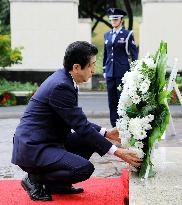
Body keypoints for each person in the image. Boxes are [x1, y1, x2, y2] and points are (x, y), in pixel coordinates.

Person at [11, 41, 142, 201]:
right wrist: (118, 152)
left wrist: (107, 133)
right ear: (76, 67)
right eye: (91, 65)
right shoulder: (61, 86)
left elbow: (76, 121)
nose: (94, 70)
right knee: (83, 169)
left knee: (89, 141)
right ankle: (34, 179)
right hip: (34, 147)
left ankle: (56, 185)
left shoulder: (65, 79)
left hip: (48, 141)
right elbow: (81, 126)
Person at [103, 8, 138, 127]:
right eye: (112, 19)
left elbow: (134, 54)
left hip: (123, 72)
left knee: (122, 101)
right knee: (112, 101)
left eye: (116, 19)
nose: (113, 21)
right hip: (109, 72)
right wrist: (104, 69)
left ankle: (124, 125)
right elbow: (105, 54)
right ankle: (114, 126)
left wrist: (135, 71)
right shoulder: (107, 35)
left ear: (121, 20)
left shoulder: (128, 34)